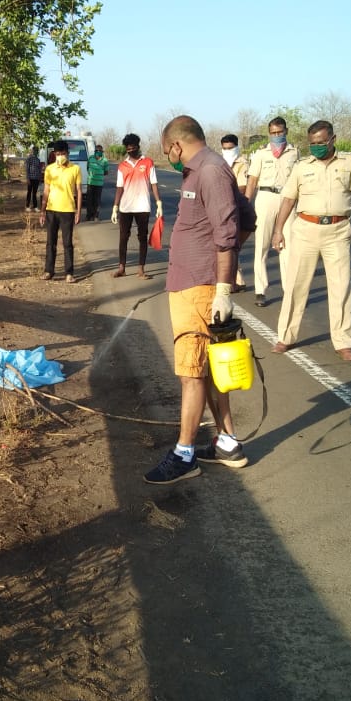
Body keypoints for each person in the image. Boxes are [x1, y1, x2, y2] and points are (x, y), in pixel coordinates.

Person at [144, 115, 250, 485]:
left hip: (200, 288)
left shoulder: (211, 171)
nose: (168, 157)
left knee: (191, 373)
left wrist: (222, 286)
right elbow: (246, 218)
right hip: (190, 283)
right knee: (207, 369)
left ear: (176, 144)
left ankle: (184, 453)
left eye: (166, 151)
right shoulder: (199, 171)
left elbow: (230, 230)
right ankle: (227, 443)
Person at [269, 120, 351, 361]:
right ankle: (285, 337)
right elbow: (288, 199)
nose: (317, 147)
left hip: (338, 231)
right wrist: (278, 231)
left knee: (340, 287)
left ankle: (343, 343)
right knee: (296, 285)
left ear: (333, 140)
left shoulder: (349, 162)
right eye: (313, 144)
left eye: (321, 143)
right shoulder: (301, 166)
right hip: (305, 230)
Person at [244, 117, 300, 307]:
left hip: (288, 199)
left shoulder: (295, 153)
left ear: (286, 131)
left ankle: (289, 291)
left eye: (280, 132)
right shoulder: (261, 154)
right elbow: (252, 180)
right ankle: (260, 290)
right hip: (266, 197)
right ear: (269, 133)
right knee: (262, 244)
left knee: (287, 246)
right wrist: (245, 204)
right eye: (273, 133)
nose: (277, 136)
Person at [111, 133, 162, 278]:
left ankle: (141, 268)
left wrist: (159, 203)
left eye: (133, 147)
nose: (131, 150)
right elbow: (119, 187)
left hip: (143, 206)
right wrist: (115, 207)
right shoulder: (122, 166)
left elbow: (154, 184)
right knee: (123, 237)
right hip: (126, 207)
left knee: (142, 238)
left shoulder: (148, 163)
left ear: (138, 147)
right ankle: (122, 267)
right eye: (128, 148)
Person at [40, 139, 82, 283]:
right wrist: (42, 211)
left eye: (62, 153)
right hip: (51, 210)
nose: (60, 156)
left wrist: (78, 211)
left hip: (68, 210)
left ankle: (69, 273)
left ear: (67, 153)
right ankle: (48, 271)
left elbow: (79, 191)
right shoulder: (49, 169)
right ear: (54, 154)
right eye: (57, 154)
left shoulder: (75, 169)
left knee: (67, 243)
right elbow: (46, 190)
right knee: (50, 242)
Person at [222, 134, 251, 291]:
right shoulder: (219, 163)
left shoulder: (242, 164)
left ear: (236, 147)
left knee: (231, 244)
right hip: (221, 207)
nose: (227, 151)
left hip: (236, 207)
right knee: (228, 244)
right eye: (225, 148)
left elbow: (242, 187)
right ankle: (236, 278)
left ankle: (234, 280)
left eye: (230, 148)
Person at [86, 144, 110, 221]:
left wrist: (99, 173)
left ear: (102, 152)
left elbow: (106, 172)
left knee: (97, 201)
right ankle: (89, 215)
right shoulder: (90, 158)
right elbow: (87, 168)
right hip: (90, 182)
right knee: (89, 200)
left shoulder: (105, 160)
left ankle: (96, 216)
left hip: (99, 184)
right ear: (94, 151)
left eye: (99, 151)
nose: (98, 152)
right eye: (96, 151)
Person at [25, 145, 44, 211]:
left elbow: (39, 170)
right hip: (30, 178)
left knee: (35, 193)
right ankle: (27, 206)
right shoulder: (29, 159)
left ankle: (35, 206)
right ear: (32, 151)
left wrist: (39, 178)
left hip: (36, 179)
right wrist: (27, 179)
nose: (36, 152)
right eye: (35, 150)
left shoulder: (38, 160)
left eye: (37, 151)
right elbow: (27, 169)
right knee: (29, 192)